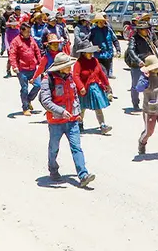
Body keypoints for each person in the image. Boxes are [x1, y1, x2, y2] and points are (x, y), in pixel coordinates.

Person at [39, 53, 96, 187]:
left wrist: (78, 113)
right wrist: (61, 111)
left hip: (72, 121)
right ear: (59, 67)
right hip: (56, 122)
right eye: (67, 66)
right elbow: (46, 101)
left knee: (76, 147)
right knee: (54, 148)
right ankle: (53, 169)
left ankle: (83, 175)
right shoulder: (47, 80)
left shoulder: (70, 78)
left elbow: (75, 96)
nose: (70, 68)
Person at [75, 40, 113, 134]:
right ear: (83, 53)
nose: (91, 54)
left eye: (91, 52)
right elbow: (75, 76)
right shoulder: (78, 63)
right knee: (82, 107)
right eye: (89, 52)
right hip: (84, 88)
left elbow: (101, 73)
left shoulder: (95, 61)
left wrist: (107, 84)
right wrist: (81, 87)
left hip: (95, 87)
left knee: (98, 106)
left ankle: (103, 125)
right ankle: (79, 123)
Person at [123, 20, 158, 111]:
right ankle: (135, 104)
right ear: (139, 30)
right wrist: (139, 61)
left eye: (147, 29)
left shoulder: (148, 38)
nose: (147, 30)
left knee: (151, 84)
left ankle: (149, 103)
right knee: (136, 85)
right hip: (137, 65)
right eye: (144, 29)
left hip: (149, 64)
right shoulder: (133, 39)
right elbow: (131, 51)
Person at [9, 22, 42, 115]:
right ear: (21, 31)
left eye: (29, 31)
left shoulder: (32, 40)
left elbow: (37, 52)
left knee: (38, 85)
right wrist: (14, 66)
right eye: (27, 32)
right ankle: (25, 107)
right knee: (24, 88)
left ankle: (28, 100)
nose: (28, 33)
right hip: (22, 69)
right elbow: (12, 54)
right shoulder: (16, 41)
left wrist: (40, 64)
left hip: (33, 68)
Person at [89, 13, 120, 79]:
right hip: (99, 56)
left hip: (108, 54)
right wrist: (93, 49)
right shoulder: (93, 31)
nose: (102, 23)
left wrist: (118, 50)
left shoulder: (108, 30)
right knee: (103, 73)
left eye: (103, 21)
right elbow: (87, 41)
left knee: (106, 74)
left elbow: (115, 40)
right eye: (100, 21)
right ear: (97, 22)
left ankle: (104, 87)